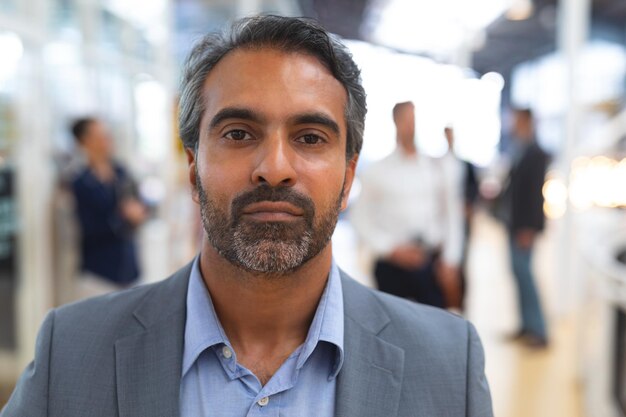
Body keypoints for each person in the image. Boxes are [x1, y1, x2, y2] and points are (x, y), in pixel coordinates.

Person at [1, 16, 492, 417]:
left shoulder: (448, 363)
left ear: (348, 176)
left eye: (310, 137)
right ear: (193, 167)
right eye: (238, 133)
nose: (274, 169)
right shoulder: (72, 352)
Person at [351, 102, 464, 309]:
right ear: (395, 122)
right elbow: (360, 218)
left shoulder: (437, 168)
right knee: (392, 330)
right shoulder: (378, 171)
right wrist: (390, 249)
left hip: (430, 262)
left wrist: (450, 259)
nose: (410, 126)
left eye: (414, 120)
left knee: (436, 327)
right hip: (392, 266)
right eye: (405, 120)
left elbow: (451, 216)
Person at [69, 117, 146, 297]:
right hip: (98, 273)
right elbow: (89, 228)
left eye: (107, 135)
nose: (107, 140)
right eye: (100, 136)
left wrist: (138, 214)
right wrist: (123, 217)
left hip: (129, 269)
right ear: (85, 141)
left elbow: (139, 205)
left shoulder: (121, 172)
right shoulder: (80, 183)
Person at [503, 108, 549, 348]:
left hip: (524, 228)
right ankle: (526, 326)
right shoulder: (519, 150)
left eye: (518, 120)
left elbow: (534, 194)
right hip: (514, 224)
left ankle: (540, 330)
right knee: (518, 276)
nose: (514, 124)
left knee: (526, 276)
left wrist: (528, 228)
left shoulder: (536, 153)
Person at [442, 126, 480, 310]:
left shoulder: (464, 164)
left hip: (462, 219)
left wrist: (468, 206)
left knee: (462, 260)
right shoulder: (440, 163)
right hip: (446, 220)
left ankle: (461, 300)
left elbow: (474, 189)